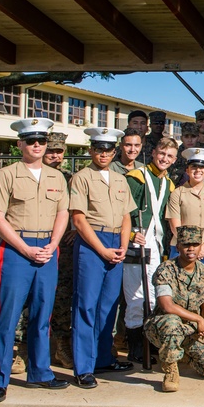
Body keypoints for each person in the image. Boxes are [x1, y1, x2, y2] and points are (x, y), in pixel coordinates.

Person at [0, 118, 70, 404]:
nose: (37, 145)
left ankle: (40, 373)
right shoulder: (6, 174)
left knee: (42, 316)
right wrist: (24, 249)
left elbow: (63, 214)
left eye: (41, 141)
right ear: (20, 144)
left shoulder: (56, 177)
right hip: (16, 249)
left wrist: (53, 244)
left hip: (47, 247)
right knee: (6, 318)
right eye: (31, 141)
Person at [69, 127, 137, 388]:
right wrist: (102, 249)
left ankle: (102, 358)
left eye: (109, 149)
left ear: (114, 151)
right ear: (91, 151)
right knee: (86, 305)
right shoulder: (82, 178)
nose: (104, 154)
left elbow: (126, 216)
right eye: (99, 149)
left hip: (115, 244)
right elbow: (78, 219)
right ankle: (83, 367)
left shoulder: (120, 179)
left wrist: (122, 245)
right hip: (92, 243)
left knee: (109, 306)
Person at [145, 226, 204, 392]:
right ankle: (170, 370)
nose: (191, 249)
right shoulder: (166, 270)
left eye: (195, 244)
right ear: (178, 247)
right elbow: (166, 306)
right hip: (163, 327)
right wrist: (198, 319)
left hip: (191, 329)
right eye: (186, 245)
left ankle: (183, 355)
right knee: (172, 322)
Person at [123, 137, 178, 364]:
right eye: (161, 154)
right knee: (136, 296)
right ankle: (135, 346)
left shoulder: (169, 184)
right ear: (154, 152)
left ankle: (150, 342)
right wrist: (130, 234)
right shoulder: (136, 178)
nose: (164, 159)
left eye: (170, 156)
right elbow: (123, 210)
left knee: (155, 297)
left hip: (157, 245)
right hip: (137, 243)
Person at [166, 148, 204, 283]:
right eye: (194, 166)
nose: (198, 170)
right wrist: (191, 248)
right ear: (187, 170)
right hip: (180, 249)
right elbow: (175, 225)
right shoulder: (177, 194)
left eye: (202, 167)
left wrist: (203, 247)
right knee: (179, 291)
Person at [45, 131, 76, 370]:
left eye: (59, 151)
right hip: (35, 243)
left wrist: (76, 228)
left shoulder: (70, 179)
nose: (54, 156)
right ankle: (22, 348)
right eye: (51, 151)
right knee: (29, 298)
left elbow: (81, 208)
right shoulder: (29, 175)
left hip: (63, 248)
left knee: (63, 296)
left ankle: (61, 345)